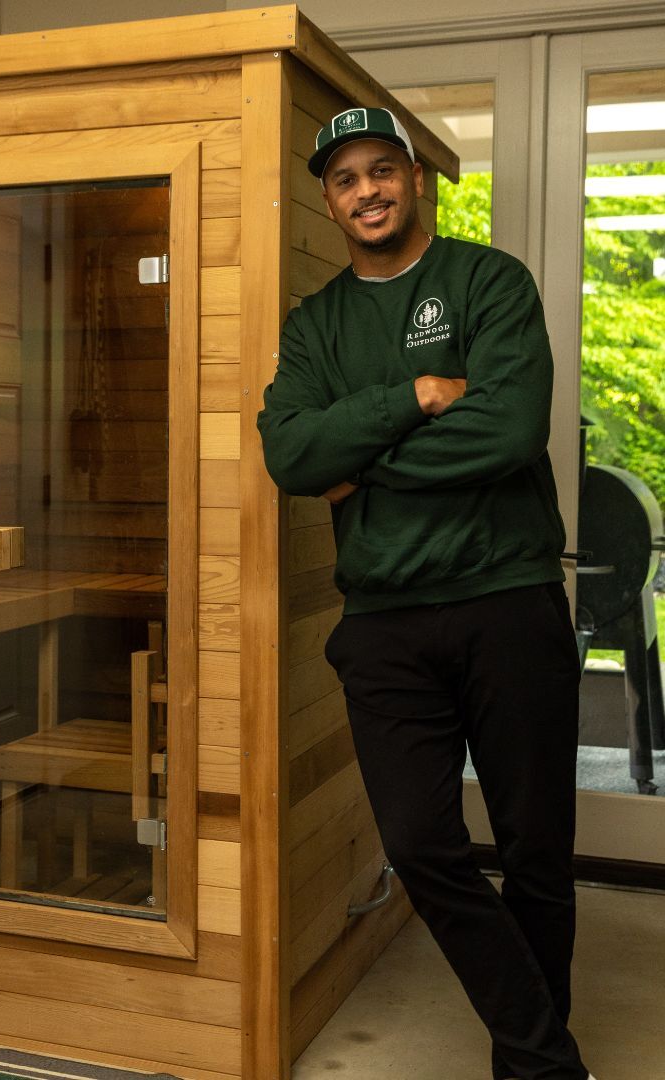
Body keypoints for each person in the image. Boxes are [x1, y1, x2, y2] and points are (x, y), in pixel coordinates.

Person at [257, 107, 597, 1080]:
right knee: (419, 841)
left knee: (537, 849)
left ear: (416, 180)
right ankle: (548, 1047)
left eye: (381, 170)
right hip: (383, 625)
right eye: (344, 178)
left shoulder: (488, 283)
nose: (366, 190)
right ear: (327, 198)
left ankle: (533, 1064)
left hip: (509, 601)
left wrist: (361, 464)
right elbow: (291, 452)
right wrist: (410, 398)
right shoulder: (318, 324)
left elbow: (508, 433)